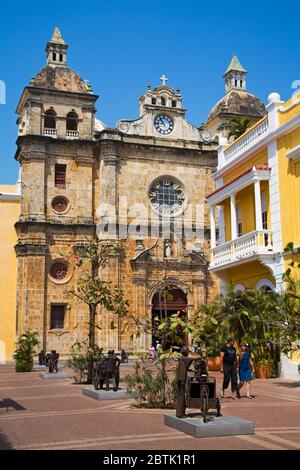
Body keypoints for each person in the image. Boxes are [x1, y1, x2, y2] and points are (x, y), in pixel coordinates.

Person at [176, 346, 195, 418]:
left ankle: (180, 412)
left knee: (181, 395)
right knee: (181, 396)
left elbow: (186, 367)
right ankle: (180, 414)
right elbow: (193, 359)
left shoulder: (181, 358)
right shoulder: (186, 359)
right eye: (188, 352)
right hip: (182, 378)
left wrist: (192, 370)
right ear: (186, 352)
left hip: (179, 378)